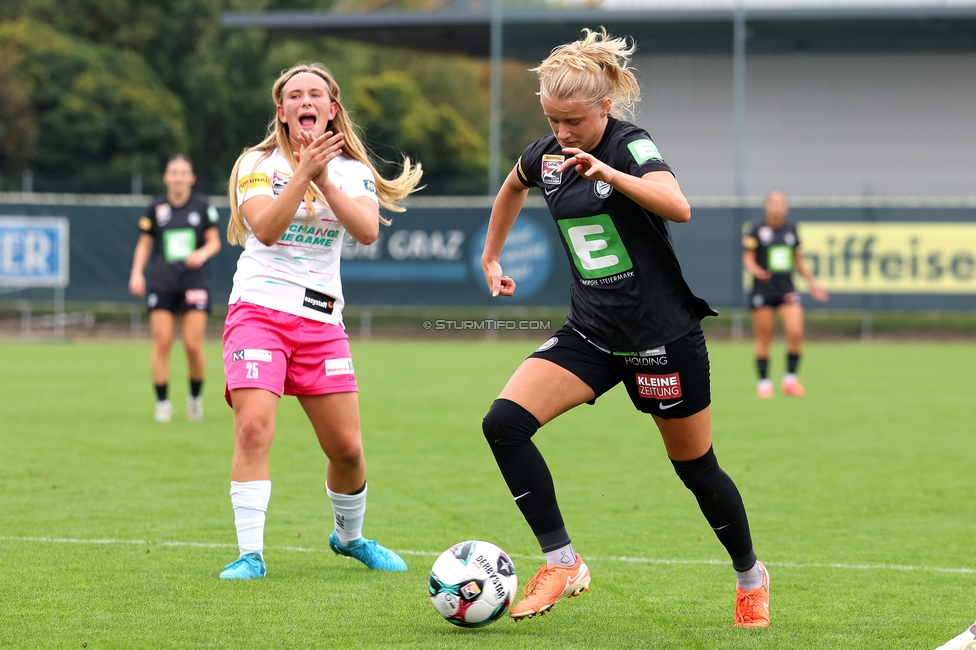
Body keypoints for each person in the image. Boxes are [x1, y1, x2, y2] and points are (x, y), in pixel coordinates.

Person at [480, 28, 769, 627]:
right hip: (590, 334)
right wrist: (491, 256)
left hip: (661, 338)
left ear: (604, 108)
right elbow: (513, 185)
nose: (563, 133)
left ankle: (749, 575)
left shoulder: (630, 146)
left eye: (575, 121)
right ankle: (562, 562)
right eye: (554, 120)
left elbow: (677, 204)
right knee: (503, 423)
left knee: (695, 469)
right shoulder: (547, 155)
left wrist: (607, 171)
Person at [217, 62, 423, 580]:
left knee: (348, 450)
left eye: (316, 95)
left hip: (321, 322)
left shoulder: (351, 170)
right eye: (294, 96)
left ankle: (349, 538)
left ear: (332, 110)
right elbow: (264, 228)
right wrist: (301, 174)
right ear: (282, 112)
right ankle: (251, 555)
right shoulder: (257, 162)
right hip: (259, 311)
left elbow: (367, 231)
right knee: (252, 428)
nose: (305, 102)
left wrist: (323, 178)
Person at [129, 155, 221, 422]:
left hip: (194, 283)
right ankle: (163, 403)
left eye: (183, 173)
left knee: (193, 345)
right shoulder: (156, 208)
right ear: (166, 177)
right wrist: (136, 273)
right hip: (162, 283)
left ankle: (194, 399)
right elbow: (145, 244)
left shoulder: (203, 206)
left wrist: (202, 253)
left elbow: (214, 242)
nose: (178, 177)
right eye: (173, 172)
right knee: (162, 342)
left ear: (191, 178)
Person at [742, 191, 828, 399]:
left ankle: (790, 380)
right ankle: (764, 383)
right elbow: (748, 258)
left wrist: (812, 284)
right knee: (764, 337)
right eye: (772, 202)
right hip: (763, 290)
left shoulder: (791, 230)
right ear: (766, 207)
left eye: (780, 202)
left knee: (796, 332)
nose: (776, 205)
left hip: (786, 289)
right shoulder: (756, 230)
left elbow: (798, 259)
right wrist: (756, 270)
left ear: (786, 207)